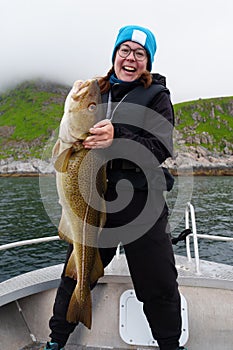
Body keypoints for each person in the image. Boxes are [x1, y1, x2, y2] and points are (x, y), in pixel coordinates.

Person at [43, 25, 187, 350]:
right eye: (125, 50)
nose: (131, 58)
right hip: (94, 198)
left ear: (147, 62)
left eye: (140, 53)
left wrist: (117, 135)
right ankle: (55, 340)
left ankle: (170, 345)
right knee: (75, 272)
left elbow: (160, 148)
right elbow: (66, 144)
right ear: (115, 54)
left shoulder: (158, 97)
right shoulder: (98, 90)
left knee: (158, 281)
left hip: (141, 202)